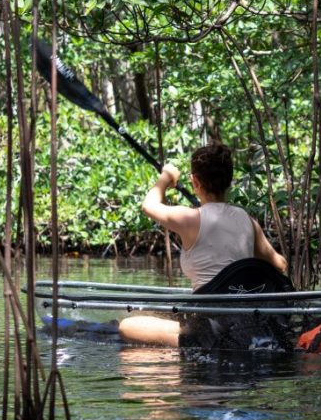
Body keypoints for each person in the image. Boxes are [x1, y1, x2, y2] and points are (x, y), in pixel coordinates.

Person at [119, 143, 288, 345]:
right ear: (229, 181)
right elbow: (280, 264)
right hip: (245, 322)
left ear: (195, 181)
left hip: (209, 326)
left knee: (126, 326)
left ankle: (191, 341)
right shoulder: (247, 221)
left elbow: (149, 206)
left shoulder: (190, 218)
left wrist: (166, 176)